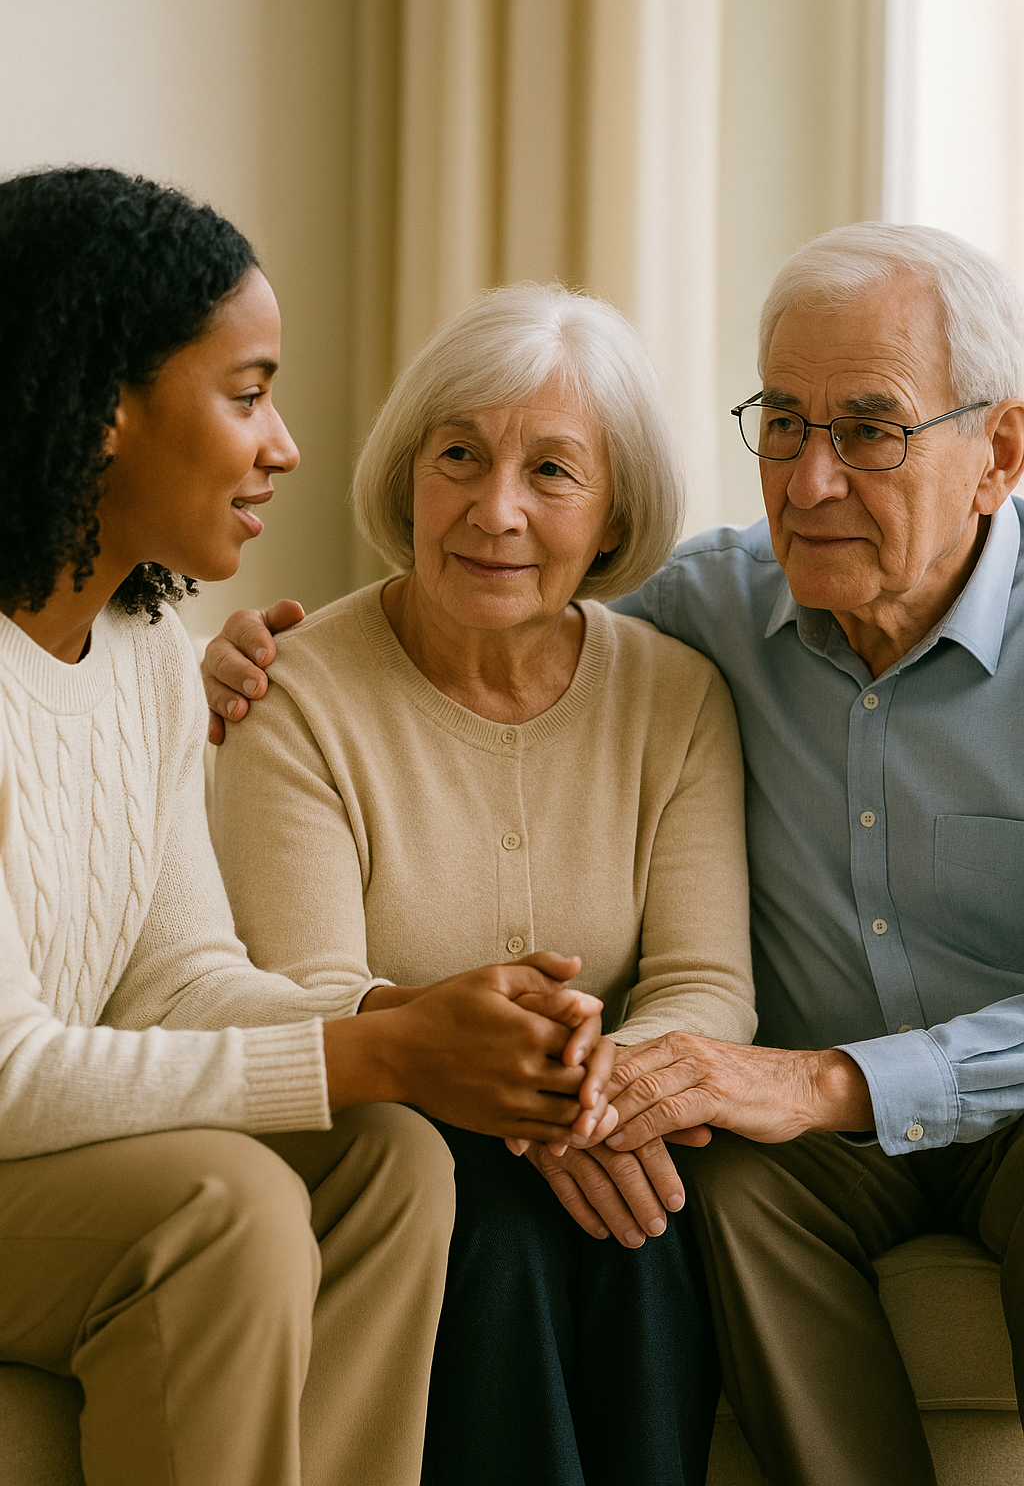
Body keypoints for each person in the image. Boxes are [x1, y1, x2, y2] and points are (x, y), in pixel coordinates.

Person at [210, 224, 1024, 1486]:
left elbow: (701, 977)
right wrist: (206, 674)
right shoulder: (710, 612)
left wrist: (805, 1083)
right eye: (783, 424)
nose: (811, 481)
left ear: (999, 455)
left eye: (870, 430)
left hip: (984, 1106)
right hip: (752, 1150)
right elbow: (497, 613)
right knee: (697, 1203)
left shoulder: (676, 671)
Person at [0, 167, 613, 1486]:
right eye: (247, 394)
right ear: (104, 408)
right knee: (226, 1207)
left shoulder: (147, 656)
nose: (283, 445)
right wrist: (369, 1052)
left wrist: (403, 1022)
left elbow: (176, 979)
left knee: (391, 1159)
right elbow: (8, 1073)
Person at [201, 281, 757, 1486]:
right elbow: (309, 991)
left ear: (612, 516)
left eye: (551, 471)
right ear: (410, 476)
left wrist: (576, 1104)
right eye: (457, 455)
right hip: (383, 1132)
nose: (492, 510)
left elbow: (704, 984)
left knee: (646, 1227)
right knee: (495, 1226)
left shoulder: (677, 697)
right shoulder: (291, 694)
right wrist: (519, 1105)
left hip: (595, 1125)